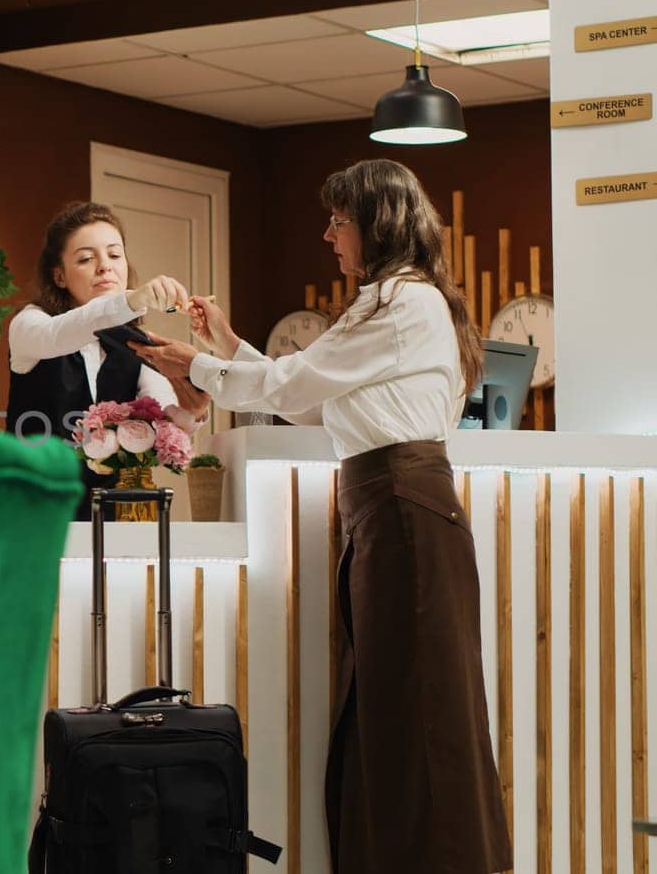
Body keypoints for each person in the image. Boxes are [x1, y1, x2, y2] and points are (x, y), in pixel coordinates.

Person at [130, 159, 510, 874]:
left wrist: (202, 365)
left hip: (403, 509)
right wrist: (225, 347)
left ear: (377, 223)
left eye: (340, 219)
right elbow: (304, 399)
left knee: (423, 720)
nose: (328, 233)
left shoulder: (403, 303)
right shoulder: (390, 303)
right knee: (388, 717)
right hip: (386, 509)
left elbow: (296, 383)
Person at [5, 201, 209, 517]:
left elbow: (162, 412)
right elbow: (61, 334)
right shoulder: (30, 325)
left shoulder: (134, 343)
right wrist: (132, 300)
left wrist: (192, 410)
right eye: (86, 258)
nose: (105, 266)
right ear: (59, 276)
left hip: (108, 518)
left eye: (114, 255)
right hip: (34, 510)